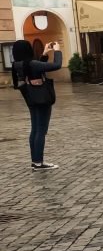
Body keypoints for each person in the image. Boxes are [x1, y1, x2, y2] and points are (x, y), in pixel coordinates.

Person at [12, 39, 62, 170]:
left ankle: (35, 161)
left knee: (35, 129)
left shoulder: (18, 64)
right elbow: (57, 65)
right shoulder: (32, 63)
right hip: (42, 98)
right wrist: (57, 51)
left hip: (31, 98)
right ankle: (39, 163)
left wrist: (44, 54)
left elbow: (35, 69)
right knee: (41, 130)